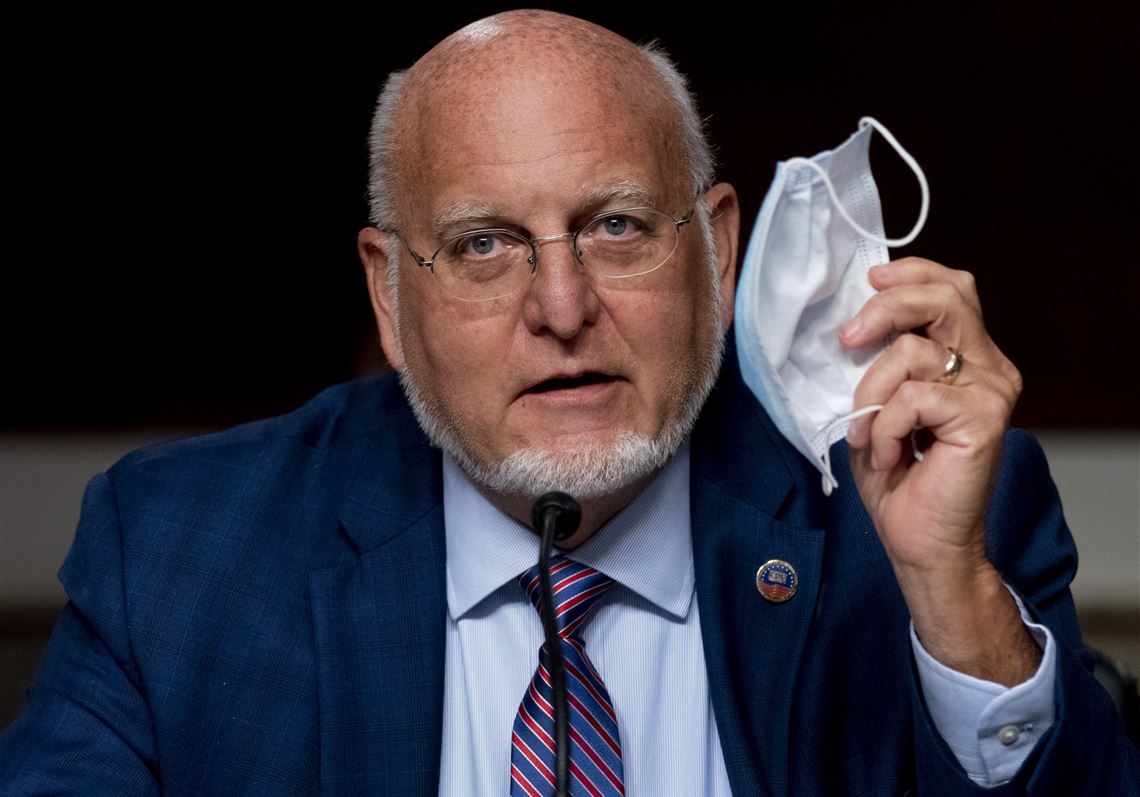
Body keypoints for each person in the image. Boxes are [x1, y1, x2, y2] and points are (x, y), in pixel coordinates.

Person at [2, 10, 1135, 796]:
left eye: (618, 226)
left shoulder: (932, 516)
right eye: (484, 245)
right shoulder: (176, 553)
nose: (561, 305)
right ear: (390, 296)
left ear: (717, 252)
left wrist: (951, 595)